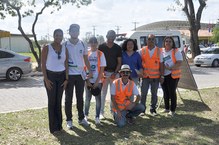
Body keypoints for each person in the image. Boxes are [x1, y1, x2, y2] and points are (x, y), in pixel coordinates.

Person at [64, 24, 92, 129]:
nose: (74, 32)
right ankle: (69, 120)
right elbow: (64, 61)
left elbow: (86, 59)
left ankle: (81, 118)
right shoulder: (65, 44)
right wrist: (65, 76)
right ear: (69, 32)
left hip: (80, 75)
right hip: (69, 75)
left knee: (80, 98)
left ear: (79, 32)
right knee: (68, 98)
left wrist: (90, 71)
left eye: (76, 30)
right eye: (72, 30)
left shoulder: (83, 44)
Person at [41, 29, 69, 133]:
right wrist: (46, 79)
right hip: (50, 76)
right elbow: (43, 64)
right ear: (53, 36)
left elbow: (66, 64)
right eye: (57, 35)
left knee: (58, 101)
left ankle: (59, 126)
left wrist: (66, 79)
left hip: (61, 77)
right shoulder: (47, 48)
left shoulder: (65, 48)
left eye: (60, 35)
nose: (59, 37)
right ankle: (53, 128)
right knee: (52, 102)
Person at [98, 30, 122, 119]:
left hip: (114, 74)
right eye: (109, 35)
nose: (111, 37)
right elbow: (99, 61)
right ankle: (101, 112)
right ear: (106, 36)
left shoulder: (118, 48)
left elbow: (119, 62)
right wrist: (102, 72)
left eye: (113, 36)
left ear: (115, 37)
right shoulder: (101, 47)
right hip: (104, 73)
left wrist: (115, 73)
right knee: (103, 93)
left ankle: (113, 111)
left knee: (113, 94)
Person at [139, 34, 164, 116]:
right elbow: (138, 62)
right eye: (149, 39)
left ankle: (153, 110)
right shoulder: (142, 50)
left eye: (153, 39)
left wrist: (162, 76)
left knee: (154, 94)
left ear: (155, 40)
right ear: (147, 40)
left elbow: (161, 64)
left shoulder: (159, 51)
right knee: (143, 94)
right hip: (145, 77)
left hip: (155, 77)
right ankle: (142, 110)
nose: (151, 40)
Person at [84, 36, 106, 125]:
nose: (93, 44)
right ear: (89, 43)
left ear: (97, 43)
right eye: (91, 42)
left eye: (94, 42)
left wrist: (97, 82)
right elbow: (84, 68)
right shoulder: (87, 53)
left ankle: (97, 117)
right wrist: (87, 81)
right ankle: (85, 115)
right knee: (87, 99)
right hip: (88, 81)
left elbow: (102, 69)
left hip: (98, 81)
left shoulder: (101, 54)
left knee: (98, 99)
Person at [161, 36, 183, 117]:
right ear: (164, 43)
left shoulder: (176, 51)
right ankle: (166, 108)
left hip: (173, 75)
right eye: (166, 41)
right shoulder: (161, 51)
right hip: (163, 75)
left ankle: (172, 110)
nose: (168, 42)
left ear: (173, 43)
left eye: (170, 41)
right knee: (165, 92)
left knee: (172, 93)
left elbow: (179, 62)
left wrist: (170, 68)